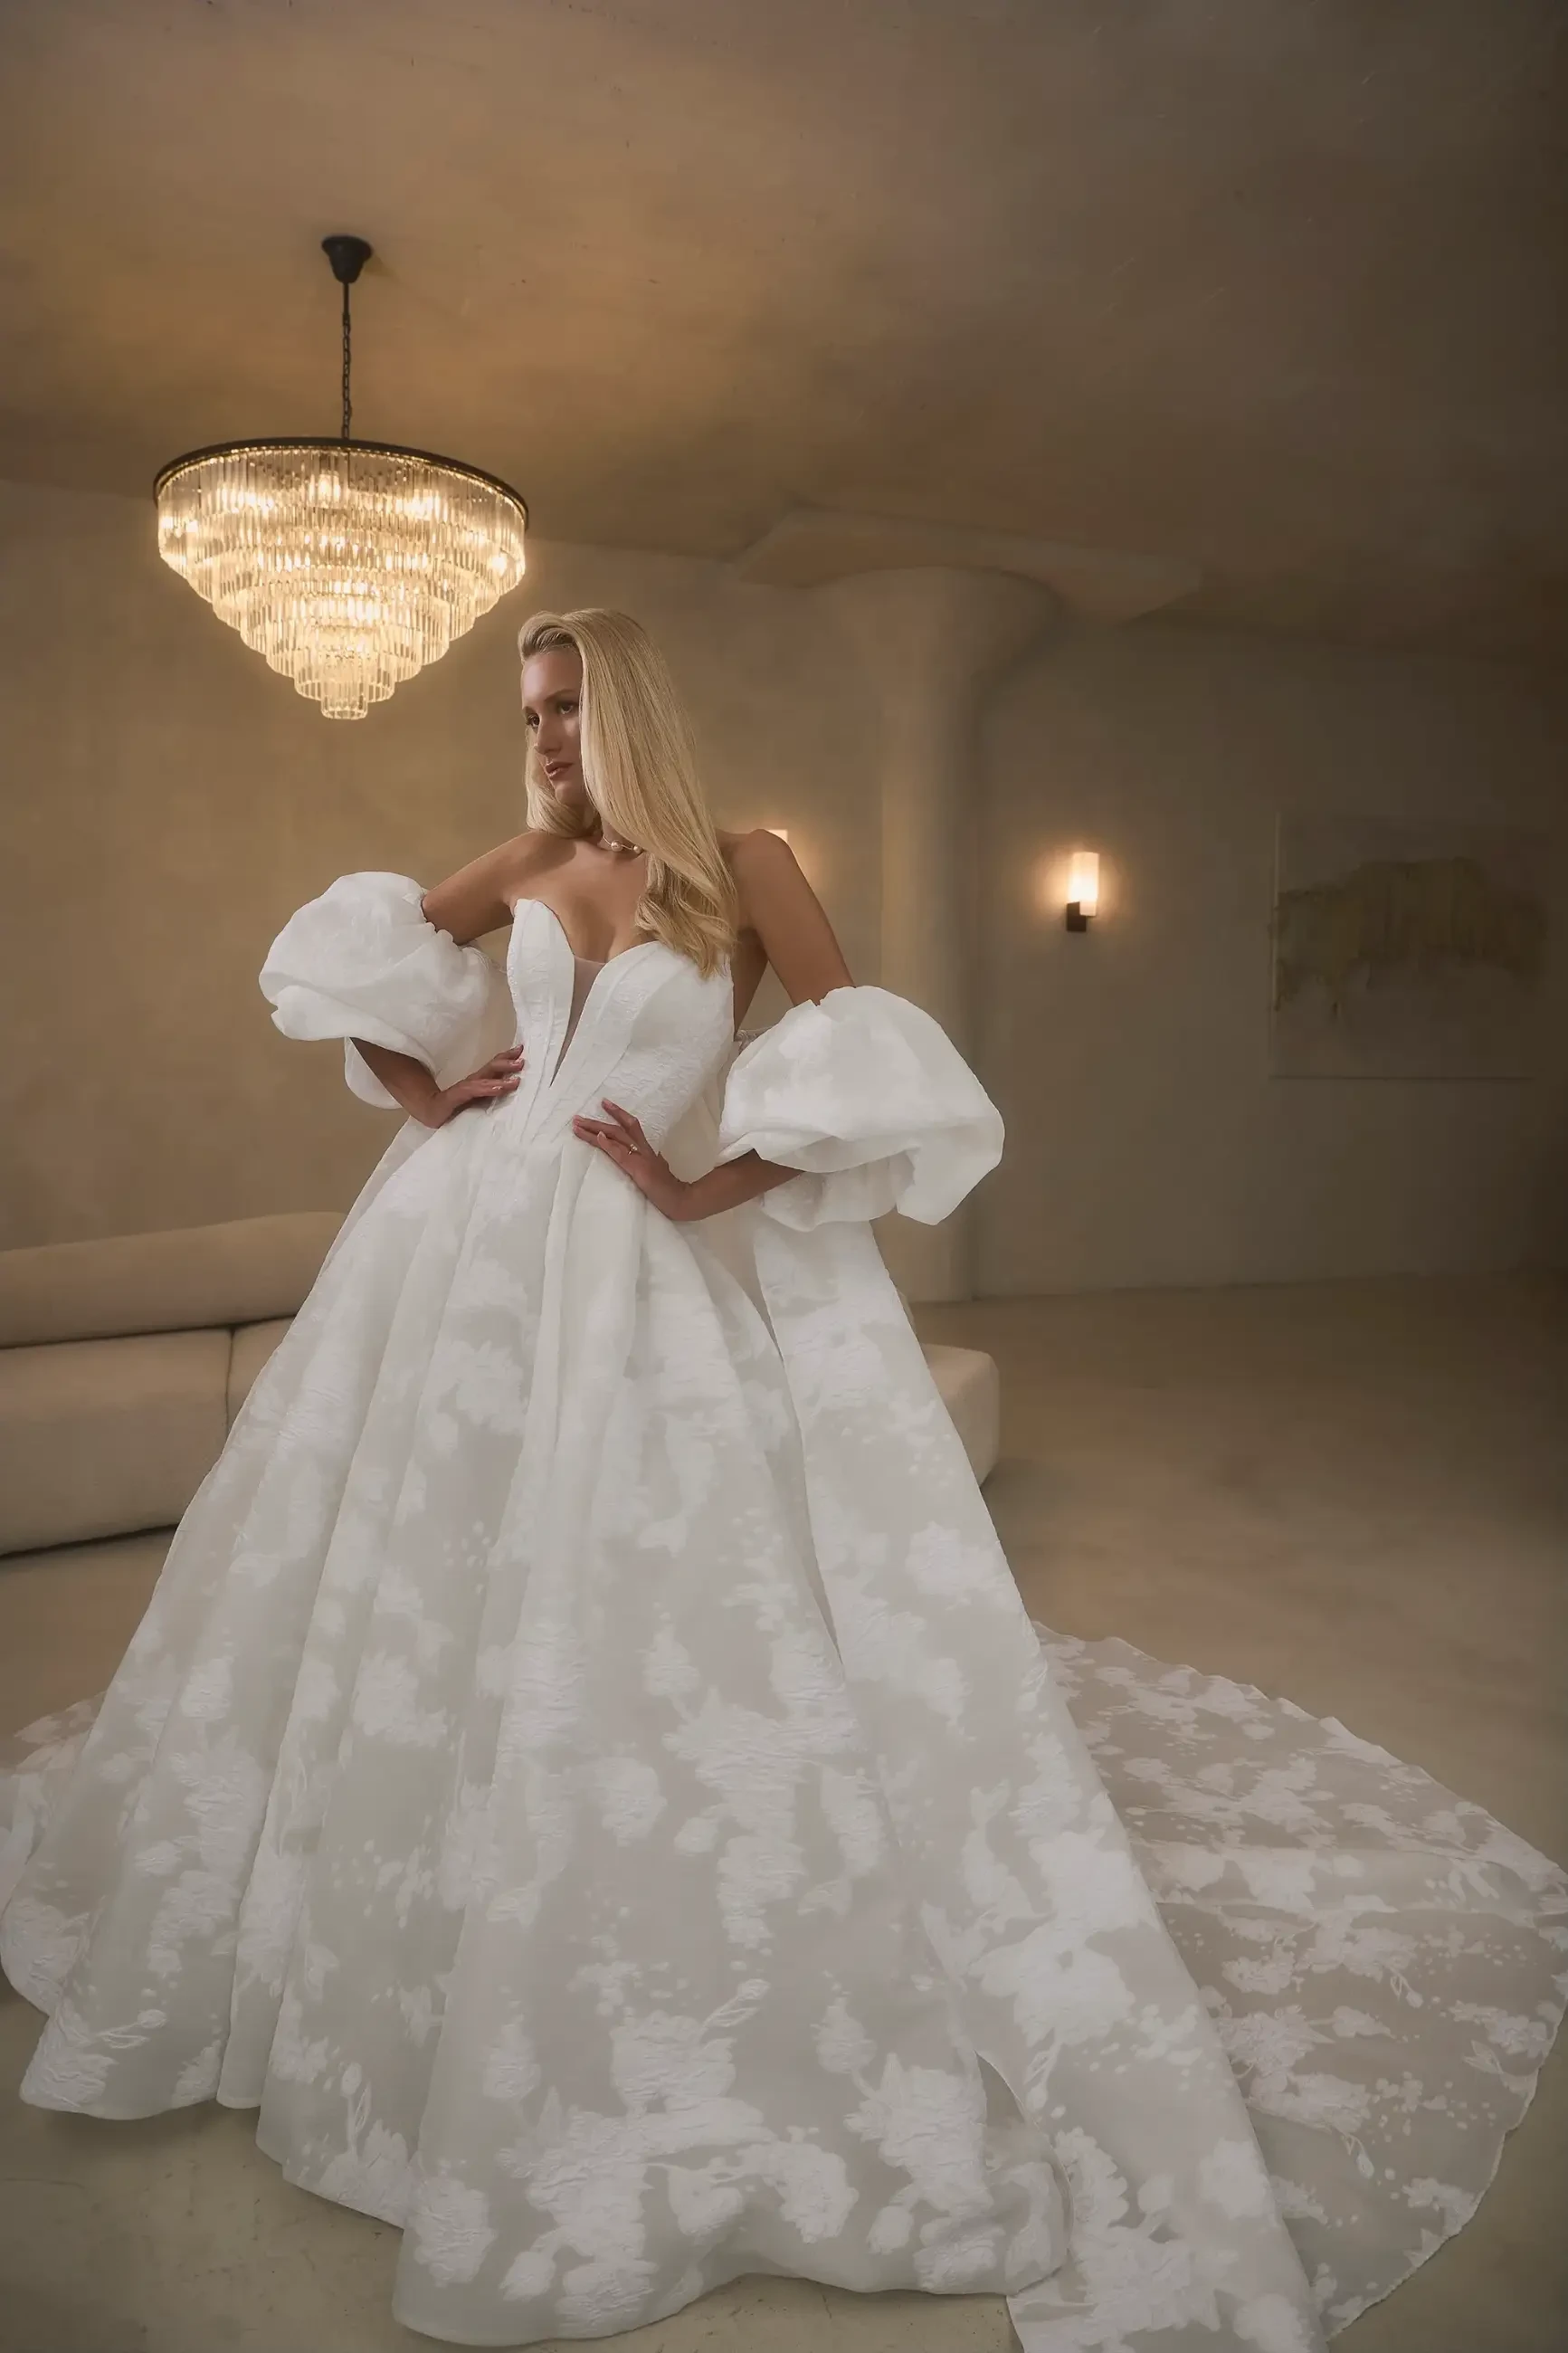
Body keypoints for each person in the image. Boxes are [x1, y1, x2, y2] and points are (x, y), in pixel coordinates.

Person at [1, 608, 1562, 2353]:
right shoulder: (522, 856)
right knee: (407, 1561)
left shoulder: (744, 865)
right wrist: (429, 1094)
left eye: (570, 711)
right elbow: (355, 982)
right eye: (526, 713)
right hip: (455, 1252)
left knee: (637, 1601)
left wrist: (693, 1193)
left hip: (626, 1265)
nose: (541, 742)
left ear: (633, 714)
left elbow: (861, 1067)